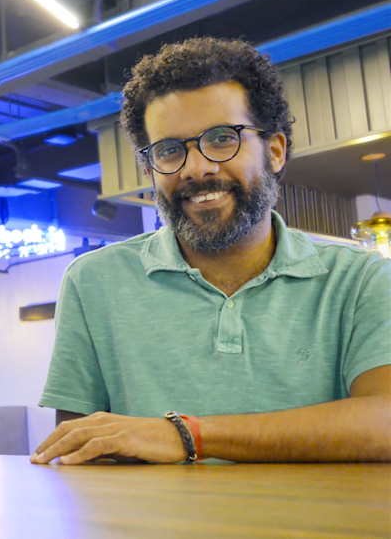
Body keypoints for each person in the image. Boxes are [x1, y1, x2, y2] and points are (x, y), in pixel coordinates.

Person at [33, 37, 390, 465]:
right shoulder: (93, 281)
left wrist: (188, 435)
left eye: (222, 139)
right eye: (168, 150)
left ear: (274, 151)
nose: (196, 168)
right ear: (150, 168)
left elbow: (383, 422)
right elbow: (80, 449)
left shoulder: (361, 279)